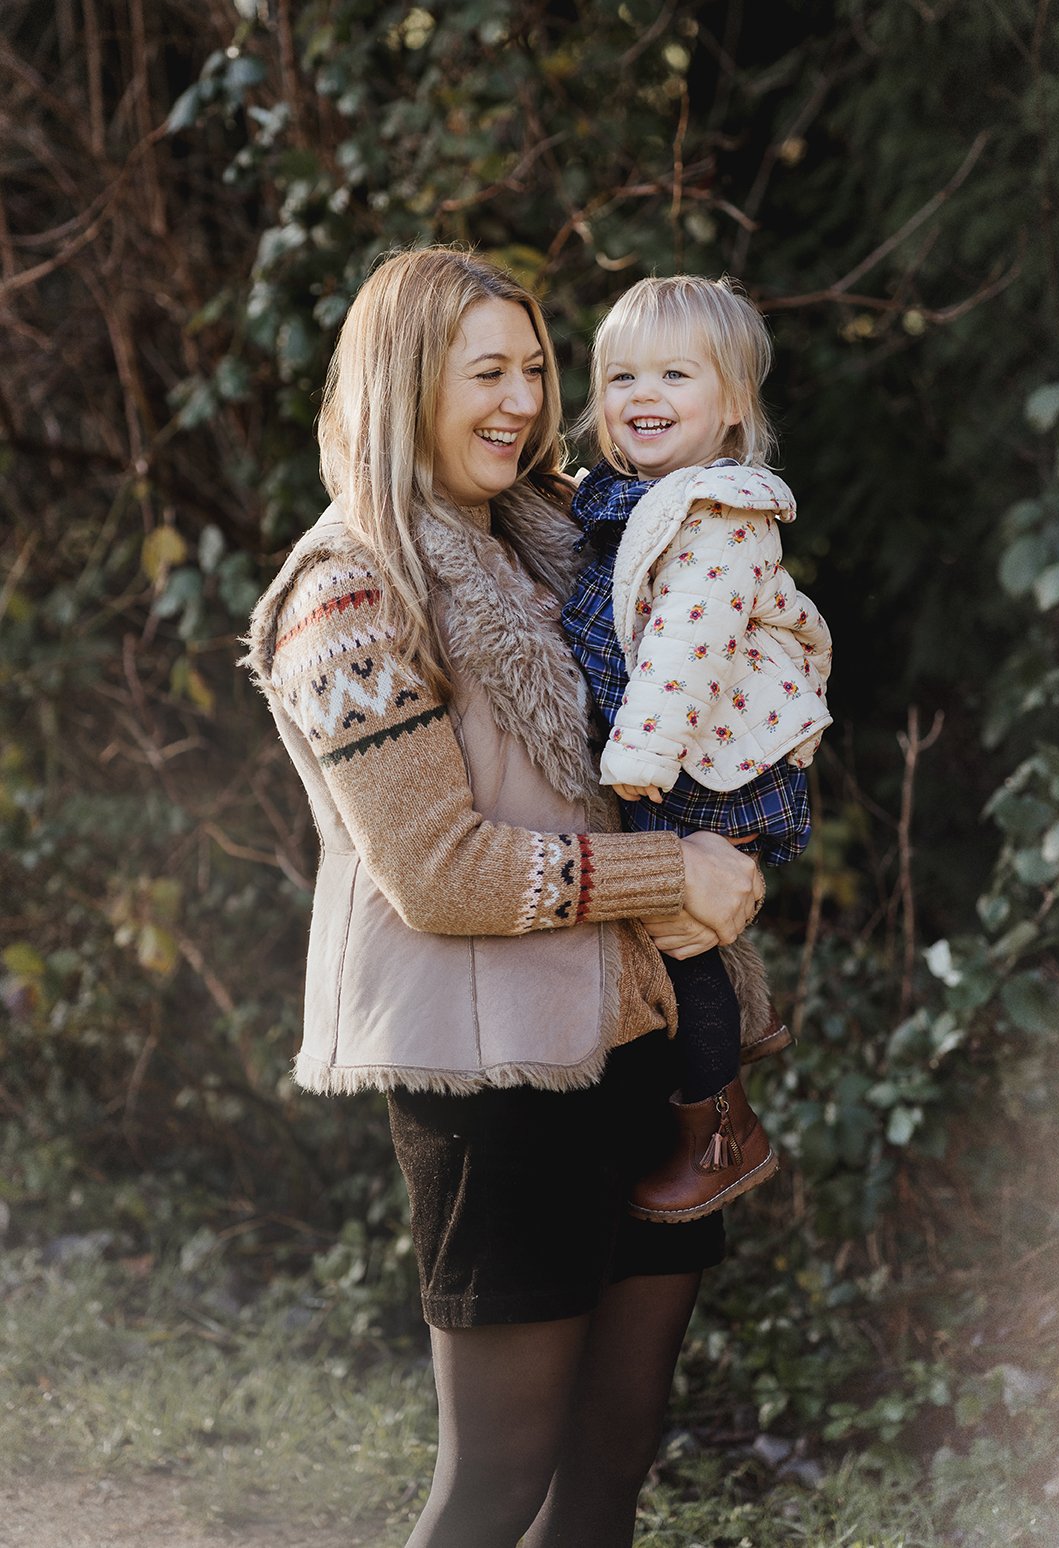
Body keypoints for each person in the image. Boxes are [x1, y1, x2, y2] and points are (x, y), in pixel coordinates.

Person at [242, 246, 775, 1548]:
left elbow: (708, 696)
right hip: (492, 1081)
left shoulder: (567, 542)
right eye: (487, 373)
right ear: (405, 382)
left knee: (611, 1461)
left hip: (637, 1039)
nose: (525, 403)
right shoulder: (349, 591)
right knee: (498, 1482)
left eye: (536, 369)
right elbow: (438, 870)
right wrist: (672, 873)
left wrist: (742, 824)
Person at [562, 274, 833, 1224]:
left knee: (680, 945)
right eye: (622, 376)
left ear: (732, 406)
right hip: (682, 757)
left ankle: (721, 1131)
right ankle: (720, 1060)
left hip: (698, 770)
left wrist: (638, 762)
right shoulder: (637, 499)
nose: (644, 395)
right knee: (673, 939)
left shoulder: (719, 516)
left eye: (675, 375)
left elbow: (686, 648)